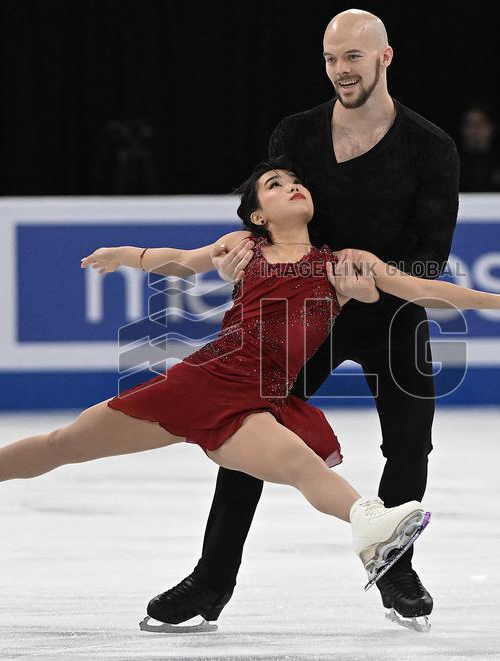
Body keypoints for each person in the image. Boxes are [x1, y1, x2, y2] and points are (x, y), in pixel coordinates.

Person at [0, 160, 500, 632]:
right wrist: (126, 254)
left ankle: (371, 528)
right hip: (206, 377)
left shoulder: (343, 265)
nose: (293, 186)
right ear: (258, 211)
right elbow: (182, 261)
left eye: (296, 181)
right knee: (66, 442)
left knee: (300, 467)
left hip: (260, 395)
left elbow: (427, 291)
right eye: (277, 184)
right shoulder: (244, 248)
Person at [147, 9, 462, 631]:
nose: (341, 70)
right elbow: (268, 217)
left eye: (352, 57)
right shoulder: (297, 133)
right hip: (302, 315)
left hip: (389, 315)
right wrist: (242, 252)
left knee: (408, 443)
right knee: (250, 434)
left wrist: (373, 282)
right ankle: (211, 580)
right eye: (330, 58)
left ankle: (393, 563)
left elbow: (433, 255)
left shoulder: (430, 147)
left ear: (384, 58)